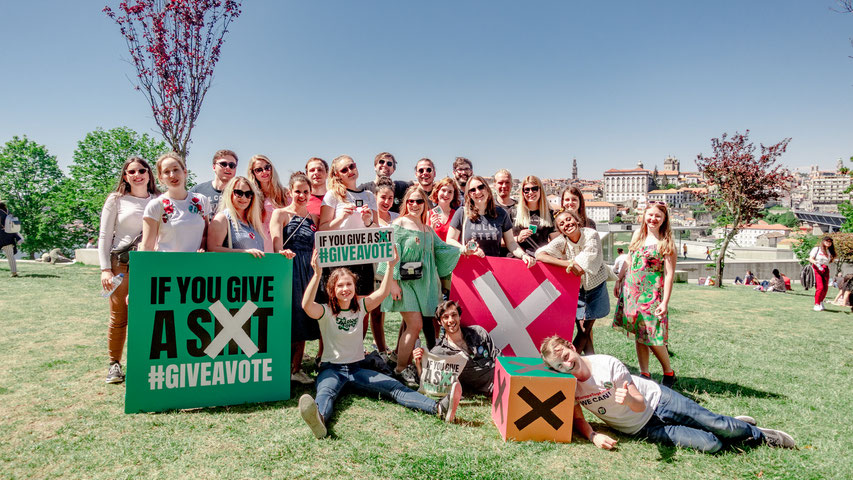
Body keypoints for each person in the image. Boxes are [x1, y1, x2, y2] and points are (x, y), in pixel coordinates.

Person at [297, 248, 462, 439]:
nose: (345, 289)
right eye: (340, 285)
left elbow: (383, 292)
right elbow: (306, 305)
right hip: (331, 370)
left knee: (395, 388)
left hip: (358, 369)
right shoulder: (325, 311)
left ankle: (438, 408)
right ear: (333, 289)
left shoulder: (361, 307)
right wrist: (317, 274)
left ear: (354, 287)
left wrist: (391, 266)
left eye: (349, 284)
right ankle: (320, 420)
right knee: (325, 393)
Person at [539, 335, 796, 452]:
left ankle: (759, 435)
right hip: (644, 429)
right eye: (559, 366)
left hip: (659, 401)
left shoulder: (607, 364)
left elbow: (638, 404)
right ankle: (735, 426)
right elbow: (579, 419)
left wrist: (628, 398)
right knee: (713, 444)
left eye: (565, 357)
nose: (566, 365)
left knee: (719, 425)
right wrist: (593, 436)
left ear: (572, 347)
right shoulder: (569, 385)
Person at [378, 186, 461, 384]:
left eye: (419, 201)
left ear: (425, 204)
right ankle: (400, 369)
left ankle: (405, 366)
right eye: (411, 201)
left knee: (416, 326)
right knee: (415, 325)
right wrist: (393, 283)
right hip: (404, 284)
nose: (415, 205)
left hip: (425, 285)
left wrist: (465, 250)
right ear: (406, 203)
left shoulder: (427, 230)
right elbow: (387, 252)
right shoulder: (398, 224)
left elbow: (444, 249)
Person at [97, 157, 159, 383]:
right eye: (131, 171)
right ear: (125, 176)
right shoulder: (116, 200)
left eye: (142, 170)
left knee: (151, 316)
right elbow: (105, 236)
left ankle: (145, 364)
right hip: (121, 264)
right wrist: (105, 269)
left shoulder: (160, 200)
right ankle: (114, 364)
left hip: (151, 266)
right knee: (119, 317)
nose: (137, 174)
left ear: (149, 174)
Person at [612, 201, 677, 387]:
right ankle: (645, 373)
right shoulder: (638, 235)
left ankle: (669, 372)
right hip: (632, 290)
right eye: (650, 215)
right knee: (639, 333)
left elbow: (669, 275)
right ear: (644, 216)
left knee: (652, 335)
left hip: (652, 293)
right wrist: (619, 279)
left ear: (664, 219)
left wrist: (665, 302)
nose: (653, 219)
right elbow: (629, 259)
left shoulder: (666, 242)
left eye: (658, 216)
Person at [536, 209, 610, 355]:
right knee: (582, 330)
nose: (567, 224)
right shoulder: (561, 241)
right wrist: (567, 263)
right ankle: (590, 362)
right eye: (561, 224)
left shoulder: (591, 234)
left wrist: (571, 264)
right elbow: (540, 254)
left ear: (576, 220)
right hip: (578, 290)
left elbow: (583, 262)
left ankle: (569, 359)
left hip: (596, 287)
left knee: (585, 330)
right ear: (560, 230)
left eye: (569, 220)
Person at [271, 172, 321, 385]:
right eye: (298, 191)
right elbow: (276, 245)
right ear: (290, 192)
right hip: (289, 269)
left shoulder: (313, 218)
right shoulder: (280, 214)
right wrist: (282, 253)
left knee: (305, 316)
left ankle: (297, 368)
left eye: (306, 192)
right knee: (289, 317)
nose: (301, 195)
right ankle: (282, 366)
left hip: (309, 270)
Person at [318, 155, 378, 301]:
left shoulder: (369, 195)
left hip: (364, 256)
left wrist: (368, 221)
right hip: (339, 257)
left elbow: (376, 229)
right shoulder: (333, 195)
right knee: (339, 304)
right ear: (337, 174)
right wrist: (341, 218)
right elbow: (322, 229)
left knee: (362, 304)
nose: (350, 171)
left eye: (352, 166)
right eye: (344, 169)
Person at [445, 176, 536, 268]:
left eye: (481, 187)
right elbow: (450, 240)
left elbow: (511, 243)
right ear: (468, 195)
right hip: (469, 269)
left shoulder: (501, 213)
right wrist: (464, 249)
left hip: (494, 268)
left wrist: (523, 255)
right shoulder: (462, 213)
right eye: (472, 190)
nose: (478, 192)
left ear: (487, 189)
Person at [412, 300, 499, 395]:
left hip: (502, 377)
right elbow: (428, 383)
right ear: (440, 322)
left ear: (459, 317)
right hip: (491, 389)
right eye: (445, 317)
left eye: (454, 315)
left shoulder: (478, 333)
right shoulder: (439, 353)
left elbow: (498, 357)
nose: (451, 320)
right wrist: (418, 364)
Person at [141, 152, 210, 253]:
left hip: (196, 265)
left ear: (185, 172)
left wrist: (203, 248)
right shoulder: (156, 205)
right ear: (161, 178)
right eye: (166, 172)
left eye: (176, 169)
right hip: (166, 266)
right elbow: (147, 246)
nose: (172, 175)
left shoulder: (201, 201)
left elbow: (206, 235)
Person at [207, 177, 266, 257]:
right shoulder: (222, 218)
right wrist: (243, 252)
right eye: (239, 193)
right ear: (229, 193)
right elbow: (212, 249)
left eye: (248, 194)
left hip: (256, 269)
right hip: (232, 268)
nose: (244, 198)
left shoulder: (252, 221)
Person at [247, 154, 289, 252]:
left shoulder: (285, 194)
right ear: (253, 173)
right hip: (260, 244)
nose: (264, 172)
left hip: (285, 243)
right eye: (259, 170)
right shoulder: (250, 196)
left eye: (267, 167)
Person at [510, 175, 557, 256]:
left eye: (534, 189)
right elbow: (504, 240)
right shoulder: (513, 212)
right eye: (527, 190)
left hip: (540, 259)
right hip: (518, 259)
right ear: (522, 192)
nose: (530, 192)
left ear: (540, 190)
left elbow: (556, 243)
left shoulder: (550, 214)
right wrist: (518, 238)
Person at [427, 177, 461, 242]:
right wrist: (431, 228)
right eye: (443, 190)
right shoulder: (428, 214)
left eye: (450, 192)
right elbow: (424, 241)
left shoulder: (457, 215)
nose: (446, 194)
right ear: (437, 192)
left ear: (454, 195)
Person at [809, 236, 836, 311]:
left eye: (830, 242)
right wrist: (816, 263)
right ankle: (816, 304)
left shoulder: (829, 251)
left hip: (825, 269)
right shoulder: (817, 249)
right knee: (820, 287)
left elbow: (830, 260)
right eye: (827, 241)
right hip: (817, 268)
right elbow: (811, 258)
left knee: (825, 288)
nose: (828, 243)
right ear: (823, 241)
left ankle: (821, 301)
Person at [0, 202, 22, 278]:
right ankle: (14, 272)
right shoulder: (9, 212)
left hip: (1, 235)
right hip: (9, 235)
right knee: (10, 256)